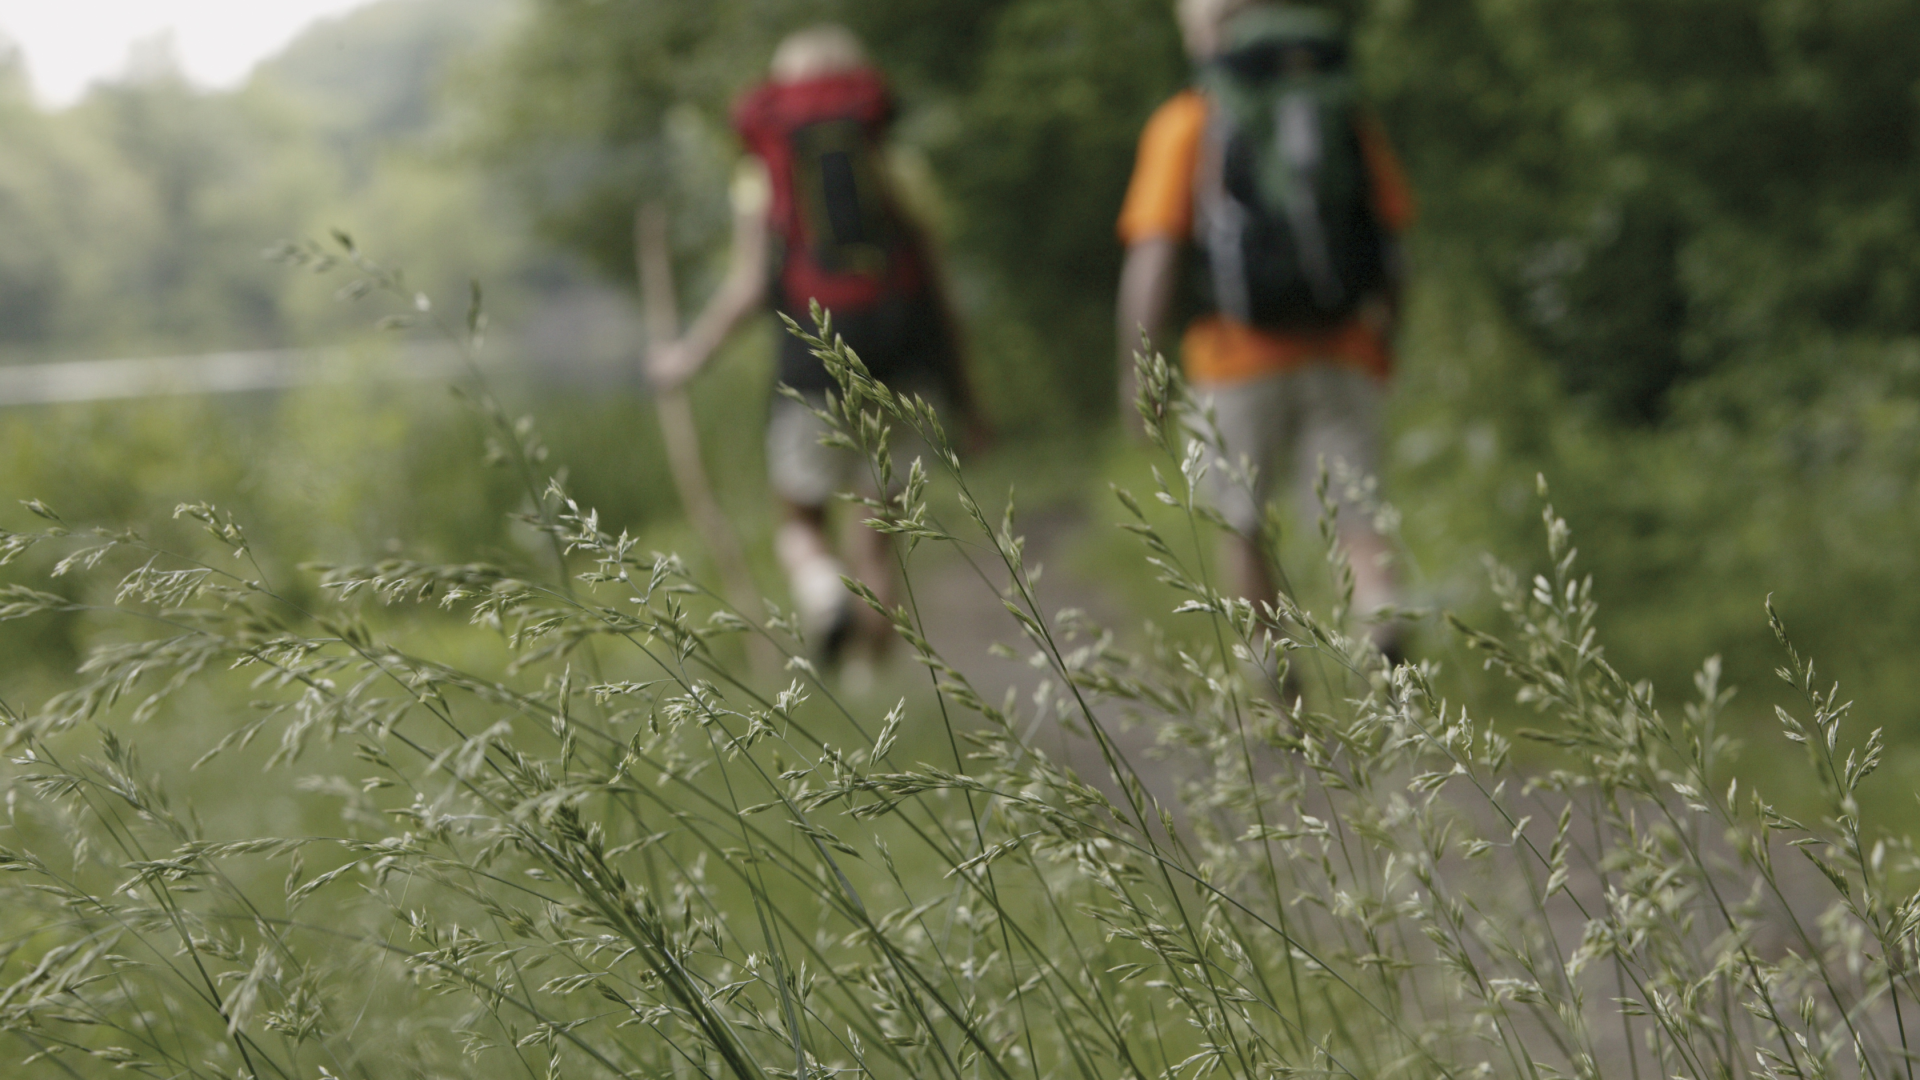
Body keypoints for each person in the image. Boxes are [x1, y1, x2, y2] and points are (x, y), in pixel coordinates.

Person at [651, 24, 980, 663]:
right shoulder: (896, 165)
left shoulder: (763, 172)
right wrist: (970, 402)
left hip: (810, 367)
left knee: (801, 520)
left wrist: (687, 357)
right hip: (902, 360)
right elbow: (939, 293)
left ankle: (823, 592)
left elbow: (749, 286)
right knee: (879, 536)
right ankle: (871, 682)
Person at [1115, 0, 1415, 660]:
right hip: (1343, 346)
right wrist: (1386, 334)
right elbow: (1390, 235)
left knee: (1240, 525)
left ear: (1199, 36)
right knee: (1357, 514)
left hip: (1231, 361)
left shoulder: (1185, 123)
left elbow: (1154, 258)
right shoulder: (1338, 111)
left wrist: (1139, 371)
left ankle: (1275, 681)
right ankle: (1378, 612)